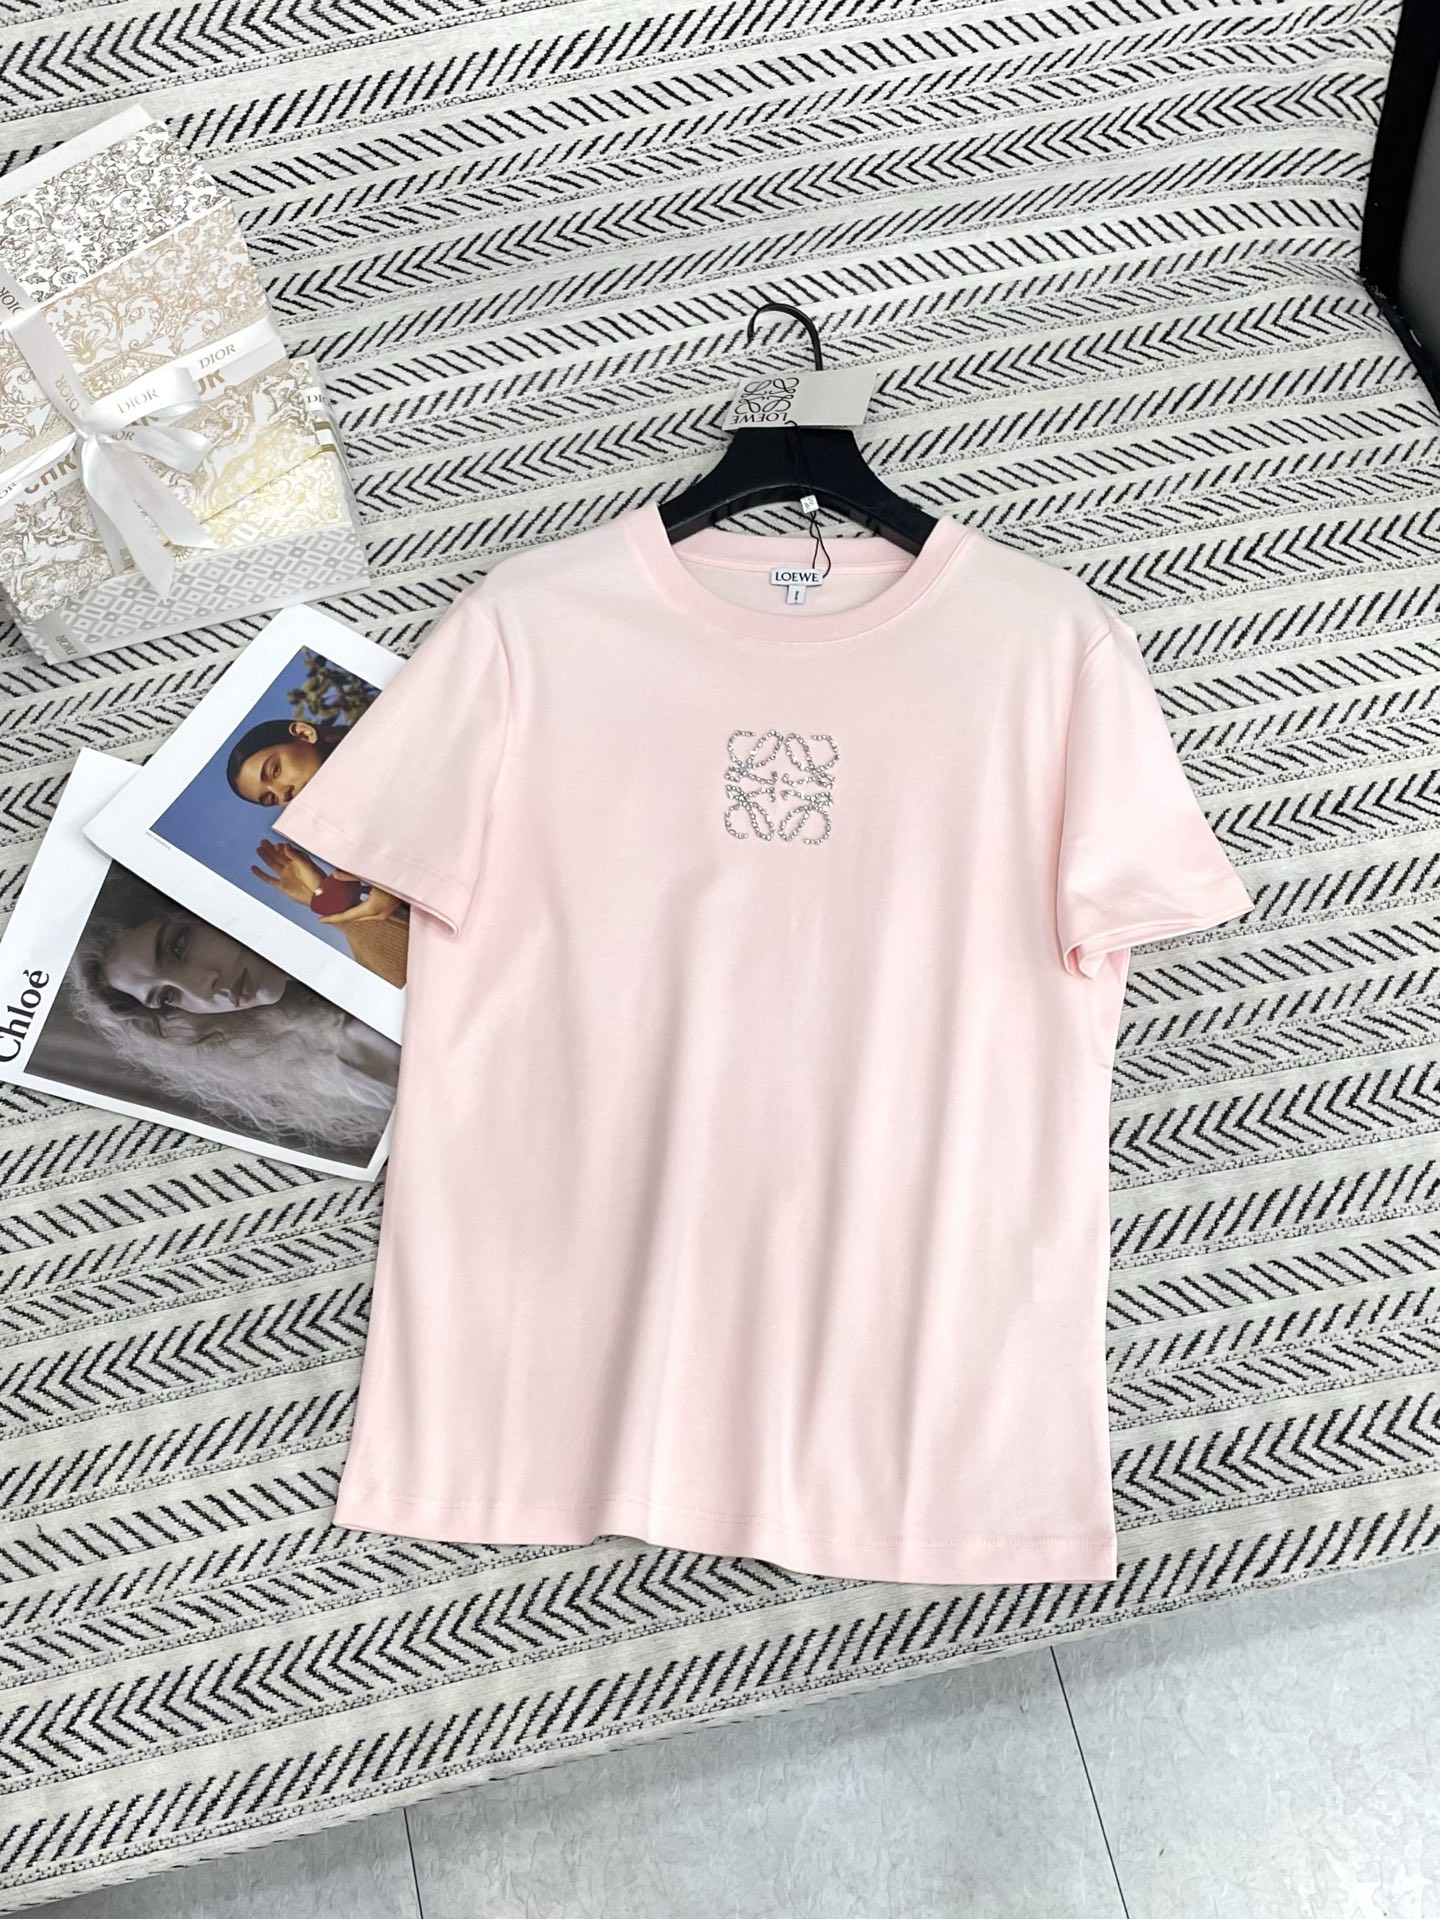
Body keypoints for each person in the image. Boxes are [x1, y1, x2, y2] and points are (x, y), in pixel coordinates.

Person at [65, 867, 399, 1160]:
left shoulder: (355, 907)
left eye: (178, 947)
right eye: (167, 997)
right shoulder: (356, 1054)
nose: (201, 989)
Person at [225, 716, 410, 988]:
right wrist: (339, 908)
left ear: (303, 733)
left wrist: (405, 874)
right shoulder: (357, 851)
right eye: (271, 798)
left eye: (275, 770)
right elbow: (407, 980)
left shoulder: (397, 742)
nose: (282, 793)